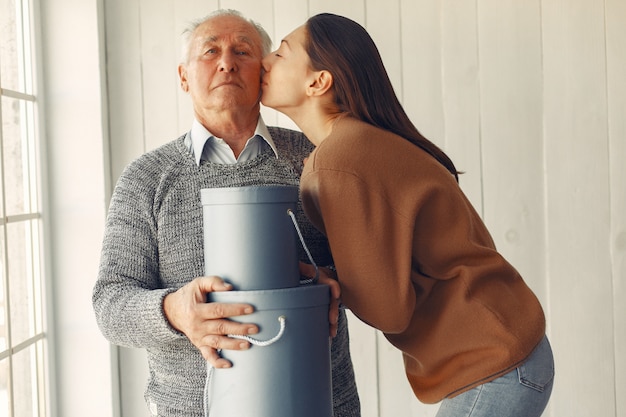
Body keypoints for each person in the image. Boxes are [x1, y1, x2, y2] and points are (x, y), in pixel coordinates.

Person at [260, 12, 554, 417]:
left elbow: (387, 310)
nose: (265, 60)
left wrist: (318, 282)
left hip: (493, 364)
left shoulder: (339, 159)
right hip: (503, 352)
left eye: (280, 53)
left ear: (318, 81)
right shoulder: (355, 146)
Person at [92, 9, 361, 417]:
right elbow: (110, 303)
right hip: (190, 408)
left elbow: (372, 270)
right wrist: (174, 310)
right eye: (210, 50)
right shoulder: (147, 178)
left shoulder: (318, 157)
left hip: (319, 401)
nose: (226, 61)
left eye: (242, 50)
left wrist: (331, 285)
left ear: (264, 74)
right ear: (183, 77)